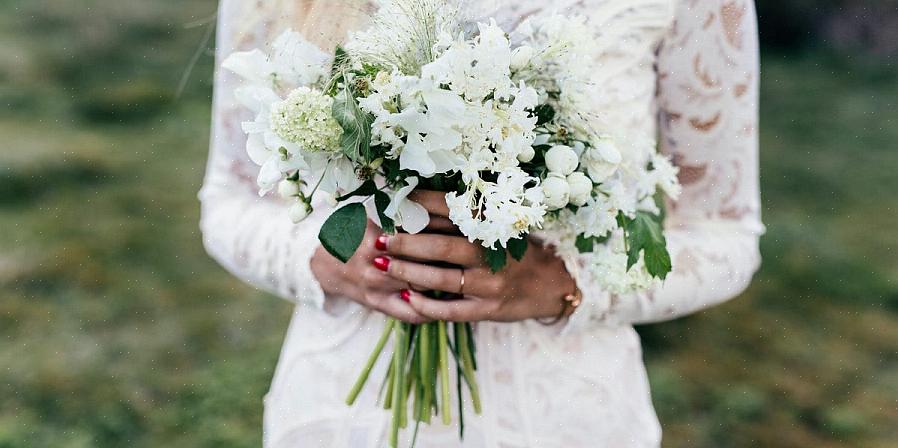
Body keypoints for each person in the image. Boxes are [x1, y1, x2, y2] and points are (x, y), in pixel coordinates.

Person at [199, 0, 764, 446]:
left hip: (564, 418)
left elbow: (728, 233)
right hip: (340, 410)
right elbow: (227, 200)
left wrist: (569, 285)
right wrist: (321, 259)